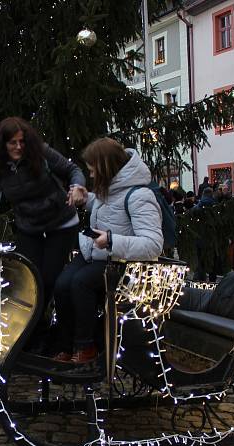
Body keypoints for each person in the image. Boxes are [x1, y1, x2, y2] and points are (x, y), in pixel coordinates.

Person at [0, 117, 86, 349]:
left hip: (60, 222)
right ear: (2, 144)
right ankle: (28, 336)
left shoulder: (42, 154)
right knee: (27, 281)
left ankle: (49, 336)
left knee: (47, 279)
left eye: (22, 142)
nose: (18, 147)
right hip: (29, 226)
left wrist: (76, 188)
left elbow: (72, 169)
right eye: (12, 143)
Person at [52, 138, 163, 364]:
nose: (91, 176)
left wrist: (112, 241)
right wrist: (87, 199)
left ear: (105, 169)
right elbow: (111, 208)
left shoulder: (140, 196)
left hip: (121, 264)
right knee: (62, 284)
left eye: (93, 171)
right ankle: (65, 345)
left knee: (81, 282)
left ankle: (86, 347)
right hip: (97, 254)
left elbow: (153, 244)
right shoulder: (112, 188)